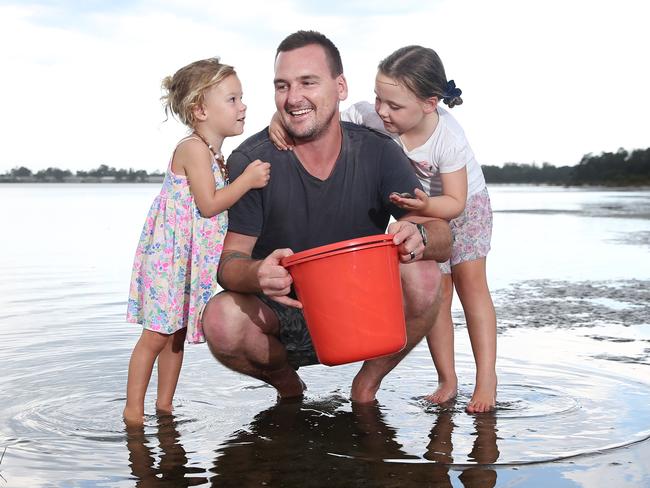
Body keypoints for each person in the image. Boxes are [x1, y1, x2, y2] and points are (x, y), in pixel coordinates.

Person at [200, 30, 452, 405]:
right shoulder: (250, 160)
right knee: (221, 320)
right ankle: (289, 388)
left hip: (360, 313)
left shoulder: (379, 152)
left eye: (308, 82)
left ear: (340, 87)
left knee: (427, 275)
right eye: (282, 86)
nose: (293, 97)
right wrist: (258, 273)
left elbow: (443, 236)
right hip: (284, 314)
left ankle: (365, 387)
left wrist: (422, 239)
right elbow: (230, 263)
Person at [270, 46, 497, 413]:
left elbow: (454, 201)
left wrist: (423, 208)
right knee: (436, 294)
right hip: (416, 208)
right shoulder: (367, 115)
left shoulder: (448, 138)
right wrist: (280, 120)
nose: (382, 112)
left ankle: (486, 379)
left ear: (429, 103)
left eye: (394, 105)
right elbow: (320, 119)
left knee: (471, 290)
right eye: (379, 99)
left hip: (463, 207)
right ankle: (447, 379)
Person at [123, 57, 271, 425]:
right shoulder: (192, 148)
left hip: (188, 261)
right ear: (200, 109)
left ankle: (165, 407)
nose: (243, 106)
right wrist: (247, 181)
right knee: (156, 335)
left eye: (242, 98)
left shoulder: (215, 154)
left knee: (176, 336)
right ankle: (133, 413)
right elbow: (208, 206)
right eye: (233, 99)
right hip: (170, 259)